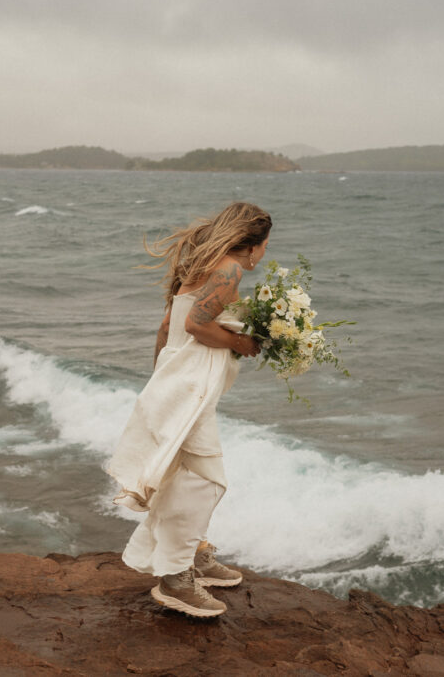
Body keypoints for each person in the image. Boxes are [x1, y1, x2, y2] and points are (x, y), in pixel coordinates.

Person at [106, 202, 271, 618]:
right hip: (190, 383)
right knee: (207, 480)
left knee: (182, 471)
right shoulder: (230, 268)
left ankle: (191, 551)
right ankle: (175, 579)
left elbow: (168, 327)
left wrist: (160, 375)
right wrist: (243, 343)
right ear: (253, 245)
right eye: (266, 246)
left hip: (178, 377)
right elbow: (198, 323)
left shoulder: (200, 261)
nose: (264, 254)